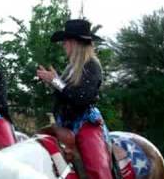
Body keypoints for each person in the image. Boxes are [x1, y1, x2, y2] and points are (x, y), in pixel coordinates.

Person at [36, 19, 113, 178]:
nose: (63, 45)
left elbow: (81, 99)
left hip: (85, 122)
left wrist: (55, 81)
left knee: (98, 170)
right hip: (64, 123)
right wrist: (53, 82)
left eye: (65, 41)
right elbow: (66, 94)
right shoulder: (71, 68)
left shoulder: (92, 65)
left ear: (74, 43)